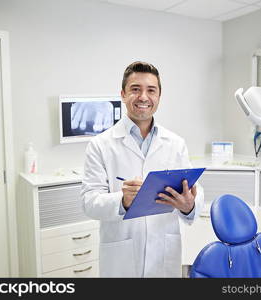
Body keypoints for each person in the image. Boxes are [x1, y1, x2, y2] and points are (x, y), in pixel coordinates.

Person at [81, 61, 204, 277]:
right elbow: (89, 202)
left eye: (151, 90)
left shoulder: (175, 143)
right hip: (121, 258)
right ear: (123, 93)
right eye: (135, 89)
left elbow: (193, 190)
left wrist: (189, 205)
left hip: (164, 254)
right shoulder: (101, 145)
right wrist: (122, 201)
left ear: (159, 96)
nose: (143, 97)